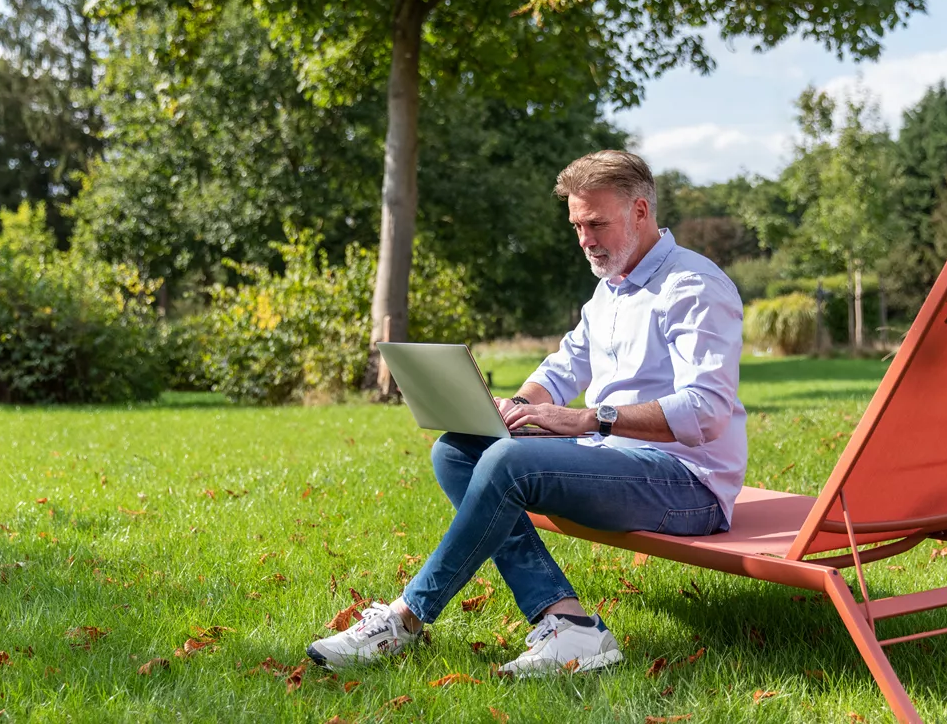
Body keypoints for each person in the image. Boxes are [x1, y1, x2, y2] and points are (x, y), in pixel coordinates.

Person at [307, 150, 748, 676]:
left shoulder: (693, 287)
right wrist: (515, 406)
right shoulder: (610, 289)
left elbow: (708, 411)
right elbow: (564, 368)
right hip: (616, 459)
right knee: (458, 451)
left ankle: (406, 619)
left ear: (640, 212)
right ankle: (568, 623)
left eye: (596, 223)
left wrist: (590, 419)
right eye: (577, 225)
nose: (585, 239)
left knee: (510, 463)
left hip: (688, 485)